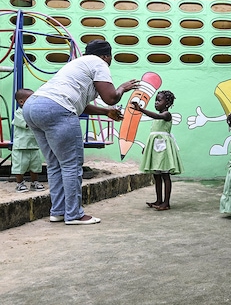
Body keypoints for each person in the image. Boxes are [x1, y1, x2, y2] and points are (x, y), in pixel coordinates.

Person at [23, 39, 139, 225]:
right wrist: (122, 88)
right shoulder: (99, 62)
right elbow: (110, 97)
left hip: (33, 107)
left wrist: (105, 112)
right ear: (107, 56)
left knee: (54, 164)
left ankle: (58, 211)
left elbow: (79, 104)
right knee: (71, 164)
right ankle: (74, 214)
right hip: (56, 108)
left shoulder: (77, 64)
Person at [132, 90, 184, 211]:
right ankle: (158, 200)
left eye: (159, 100)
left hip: (164, 149)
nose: (156, 102)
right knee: (157, 176)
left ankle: (166, 203)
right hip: (155, 148)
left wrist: (141, 110)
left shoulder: (166, 115)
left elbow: (157, 116)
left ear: (167, 103)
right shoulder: (156, 117)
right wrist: (146, 147)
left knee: (165, 175)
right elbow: (153, 134)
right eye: (156, 100)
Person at [11, 88, 44, 193]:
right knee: (19, 166)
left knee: (35, 166)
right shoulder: (19, 113)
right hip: (21, 146)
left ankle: (34, 182)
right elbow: (27, 124)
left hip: (34, 145)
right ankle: (19, 183)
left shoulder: (34, 112)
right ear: (21, 102)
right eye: (31, 99)